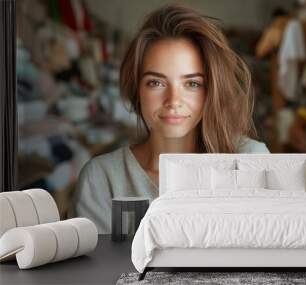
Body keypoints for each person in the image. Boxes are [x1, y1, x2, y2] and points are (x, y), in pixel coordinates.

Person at [69, 4, 269, 234]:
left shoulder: (250, 160)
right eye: (156, 82)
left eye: (192, 84)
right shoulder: (102, 178)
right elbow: (96, 270)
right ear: (137, 89)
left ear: (211, 91)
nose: (173, 100)